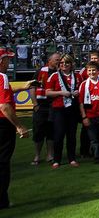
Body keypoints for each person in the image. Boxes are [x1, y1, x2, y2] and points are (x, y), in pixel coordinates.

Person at [0, 48, 33, 210]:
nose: (9, 62)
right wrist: (19, 126)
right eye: (7, 60)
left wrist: (21, 88)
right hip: (2, 124)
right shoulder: (2, 77)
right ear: (2, 61)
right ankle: (2, 200)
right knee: (3, 162)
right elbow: (4, 105)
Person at [46, 54, 81, 168]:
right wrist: (61, 93)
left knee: (71, 135)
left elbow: (81, 89)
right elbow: (47, 92)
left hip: (72, 108)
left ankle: (72, 158)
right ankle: (57, 159)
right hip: (59, 109)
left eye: (66, 63)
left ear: (71, 64)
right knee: (59, 135)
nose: (64, 65)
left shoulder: (77, 76)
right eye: (61, 63)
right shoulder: (54, 76)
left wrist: (77, 93)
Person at [78, 61, 99, 163]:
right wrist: (84, 117)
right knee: (94, 139)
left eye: (93, 70)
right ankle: (97, 157)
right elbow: (81, 103)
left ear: (98, 71)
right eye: (89, 70)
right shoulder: (84, 85)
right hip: (90, 116)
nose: (91, 72)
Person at [30, 52, 59, 165]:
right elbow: (32, 87)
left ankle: (50, 155)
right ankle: (37, 155)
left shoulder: (59, 72)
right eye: (56, 59)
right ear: (50, 61)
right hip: (41, 106)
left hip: (54, 106)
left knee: (51, 131)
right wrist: (35, 103)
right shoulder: (40, 71)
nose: (59, 61)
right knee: (38, 131)